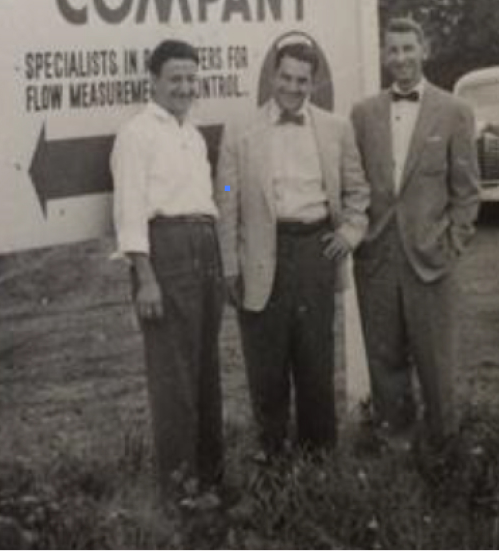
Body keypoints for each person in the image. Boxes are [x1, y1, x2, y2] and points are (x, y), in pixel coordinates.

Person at [216, 41, 369, 460]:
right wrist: (230, 265)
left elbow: (357, 191)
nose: (293, 87)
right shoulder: (240, 132)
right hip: (262, 258)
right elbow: (226, 195)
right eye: (286, 77)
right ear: (272, 77)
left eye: (302, 80)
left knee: (316, 366)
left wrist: (350, 234)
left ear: (313, 82)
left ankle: (320, 468)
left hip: (316, 254)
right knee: (266, 371)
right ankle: (273, 466)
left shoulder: (336, 129)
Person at [349, 16, 480, 449]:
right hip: (377, 258)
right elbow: (354, 184)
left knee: (436, 362)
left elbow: (467, 192)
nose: (401, 58)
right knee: (384, 359)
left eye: (409, 48)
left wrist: (453, 243)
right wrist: (362, 238)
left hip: (431, 258)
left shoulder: (455, 111)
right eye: (393, 50)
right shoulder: (363, 114)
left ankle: (444, 451)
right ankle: (396, 448)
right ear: (384, 56)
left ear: (424, 50)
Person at [110, 39, 223, 496]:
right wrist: (146, 277)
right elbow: (130, 210)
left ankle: (212, 481)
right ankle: (180, 489)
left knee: (206, 370)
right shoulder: (137, 134)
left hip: (205, 247)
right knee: (173, 376)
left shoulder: (192, 135)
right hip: (166, 252)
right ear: (153, 81)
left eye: (191, 78)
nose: (184, 87)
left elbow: (215, 194)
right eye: (175, 78)